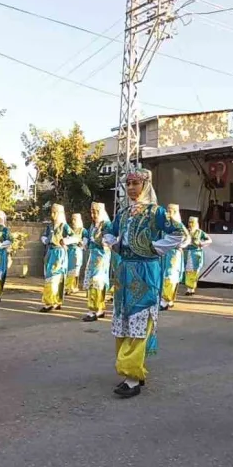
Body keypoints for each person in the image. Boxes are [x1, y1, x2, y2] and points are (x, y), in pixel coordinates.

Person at [104, 170, 187, 398]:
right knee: (123, 320)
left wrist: (155, 247)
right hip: (125, 271)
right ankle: (134, 370)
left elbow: (180, 234)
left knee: (140, 319)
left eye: (135, 183)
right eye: (128, 183)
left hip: (146, 271)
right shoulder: (122, 213)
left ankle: (132, 378)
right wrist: (115, 244)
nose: (131, 188)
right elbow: (108, 232)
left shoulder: (156, 212)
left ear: (146, 185)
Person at [40, 205, 77, 313]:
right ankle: (54, 301)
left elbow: (74, 236)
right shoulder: (50, 226)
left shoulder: (64, 226)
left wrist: (65, 241)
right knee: (49, 276)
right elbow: (44, 236)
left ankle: (50, 302)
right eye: (52, 212)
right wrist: (45, 239)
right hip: (50, 252)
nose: (52, 215)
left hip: (59, 252)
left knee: (54, 276)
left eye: (54, 212)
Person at [81, 202, 112, 322]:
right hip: (92, 256)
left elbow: (109, 240)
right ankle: (95, 309)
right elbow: (88, 239)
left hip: (102, 256)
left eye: (96, 212)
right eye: (92, 212)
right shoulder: (93, 226)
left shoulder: (106, 225)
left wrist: (100, 240)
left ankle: (97, 309)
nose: (93, 214)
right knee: (91, 281)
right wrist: (84, 243)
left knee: (97, 281)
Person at [160, 204, 188, 311]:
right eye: (167, 211)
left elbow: (187, 238)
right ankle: (168, 299)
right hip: (163, 254)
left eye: (171, 211)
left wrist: (181, 245)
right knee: (164, 274)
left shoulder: (178, 225)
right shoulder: (164, 225)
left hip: (173, 254)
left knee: (170, 275)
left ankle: (166, 300)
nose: (168, 213)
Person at [182, 217, 213, 296]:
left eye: (192, 222)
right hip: (186, 253)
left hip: (195, 253)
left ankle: (191, 288)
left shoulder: (199, 232)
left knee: (194, 271)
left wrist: (202, 243)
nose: (190, 224)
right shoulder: (185, 231)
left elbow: (209, 240)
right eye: (189, 222)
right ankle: (190, 288)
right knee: (187, 270)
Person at [66, 213, 86, 295]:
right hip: (69, 251)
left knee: (76, 269)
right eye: (72, 219)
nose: (73, 221)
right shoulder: (69, 229)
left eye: (75, 219)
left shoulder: (83, 230)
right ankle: (68, 287)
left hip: (77, 251)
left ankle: (74, 287)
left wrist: (82, 243)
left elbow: (85, 240)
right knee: (69, 269)